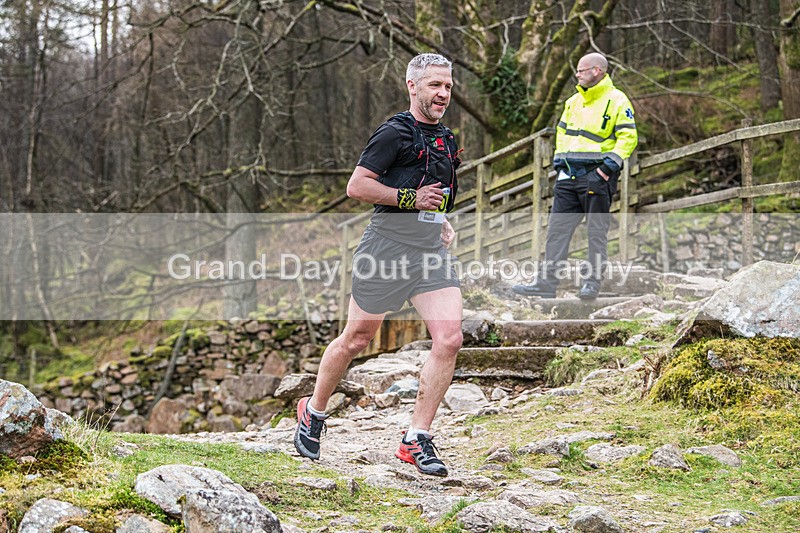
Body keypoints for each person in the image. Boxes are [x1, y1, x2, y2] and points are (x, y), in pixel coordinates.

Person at [294, 53, 463, 478]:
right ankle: (313, 411)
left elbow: (434, 191)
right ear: (413, 86)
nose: (442, 93)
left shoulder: (445, 138)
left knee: (449, 338)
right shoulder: (393, 132)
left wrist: (440, 219)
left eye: (447, 86)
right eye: (434, 86)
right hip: (385, 251)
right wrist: (410, 200)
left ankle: (415, 439)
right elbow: (358, 186)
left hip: (428, 255)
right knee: (355, 339)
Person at [513, 52, 638, 300]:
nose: (577, 74)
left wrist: (606, 169)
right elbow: (562, 134)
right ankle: (546, 284)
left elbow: (628, 137)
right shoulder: (572, 102)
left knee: (596, 232)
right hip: (567, 177)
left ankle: (592, 284)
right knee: (556, 232)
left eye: (581, 70)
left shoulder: (617, 100)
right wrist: (559, 164)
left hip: (597, 177)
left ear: (597, 71)